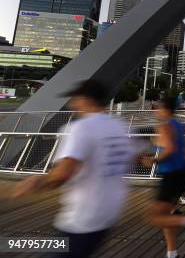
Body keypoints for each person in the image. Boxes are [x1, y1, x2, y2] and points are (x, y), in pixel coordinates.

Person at [12, 80, 142, 257]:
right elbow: (132, 156)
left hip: (80, 219)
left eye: (75, 98)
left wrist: (37, 182)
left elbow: (64, 172)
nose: (72, 104)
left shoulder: (81, 128)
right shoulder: (119, 126)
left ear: (86, 99)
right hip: (108, 215)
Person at [144, 96, 185, 258]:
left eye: (157, 107)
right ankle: (172, 253)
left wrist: (154, 159)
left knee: (155, 217)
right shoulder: (178, 125)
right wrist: (179, 155)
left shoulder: (164, 126)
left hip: (169, 175)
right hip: (181, 173)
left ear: (165, 109)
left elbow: (169, 149)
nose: (155, 110)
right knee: (166, 214)